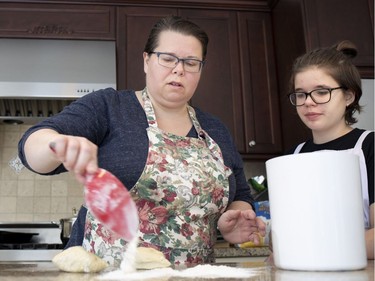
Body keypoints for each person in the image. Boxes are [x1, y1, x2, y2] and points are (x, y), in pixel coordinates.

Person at [18, 15, 266, 266]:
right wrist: (56, 145)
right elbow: (33, 144)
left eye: (191, 62)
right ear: (146, 61)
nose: (179, 69)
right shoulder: (110, 107)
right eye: (167, 59)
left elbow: (241, 195)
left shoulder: (216, 129)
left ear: (200, 70)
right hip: (108, 273)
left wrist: (235, 219)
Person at [286, 40, 374, 259]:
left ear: (348, 96)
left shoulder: (369, 146)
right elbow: (286, 235)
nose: (308, 102)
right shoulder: (292, 157)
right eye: (300, 94)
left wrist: (310, 248)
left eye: (322, 92)